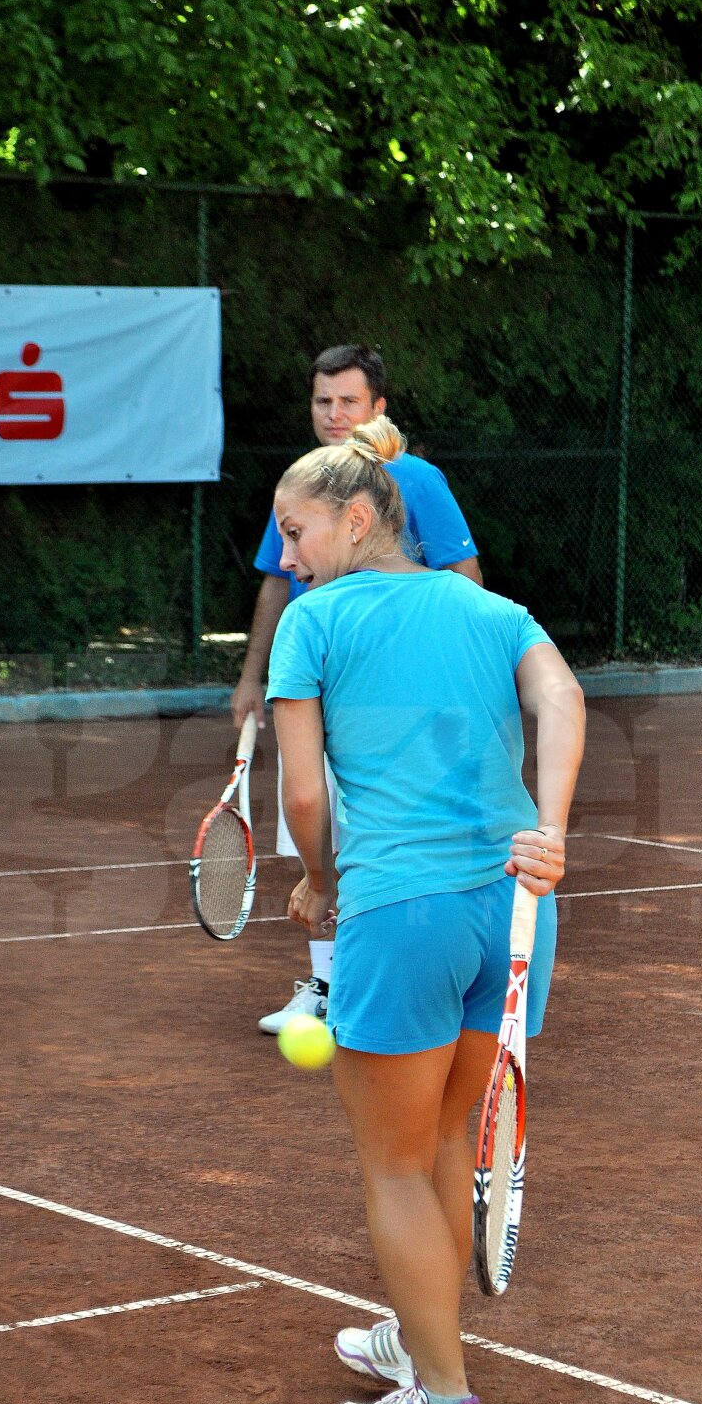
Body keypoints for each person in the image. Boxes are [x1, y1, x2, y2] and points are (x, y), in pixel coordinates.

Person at [267, 415, 586, 1404]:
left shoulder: (314, 624)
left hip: (401, 913)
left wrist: (320, 882)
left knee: (394, 1164)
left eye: (298, 530)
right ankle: (421, 1339)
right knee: (446, 1139)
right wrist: (550, 831)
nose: (289, 555)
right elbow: (562, 695)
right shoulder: (491, 608)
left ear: (358, 519)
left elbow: (304, 789)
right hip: (512, 912)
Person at [230, 344, 483, 1035]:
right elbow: (279, 580)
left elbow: (466, 577)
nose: (335, 413)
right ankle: (327, 984)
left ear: (378, 408)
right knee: (319, 836)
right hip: (321, 691)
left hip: (405, 701)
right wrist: (253, 676)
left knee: (406, 835)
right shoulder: (307, 485)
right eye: (323, 401)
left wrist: (464, 675)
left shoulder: (417, 480)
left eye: (349, 400)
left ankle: (428, 979)